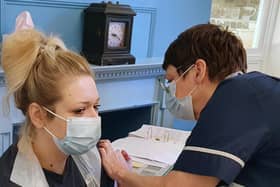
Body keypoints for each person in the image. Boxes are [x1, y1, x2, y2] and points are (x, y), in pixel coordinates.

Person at [98, 24, 280, 187]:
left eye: (171, 81)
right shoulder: (254, 90)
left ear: (198, 71)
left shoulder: (234, 95)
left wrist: (120, 173)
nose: (170, 92)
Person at [0, 29, 114, 187]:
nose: (95, 118)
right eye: (80, 110)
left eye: (96, 106)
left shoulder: (92, 158)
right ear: (38, 115)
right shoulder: (11, 180)